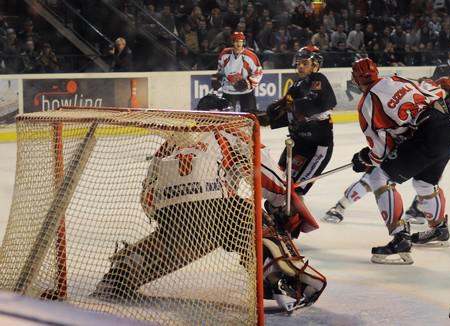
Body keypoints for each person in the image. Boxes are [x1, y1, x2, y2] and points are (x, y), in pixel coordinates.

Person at [91, 122, 326, 313]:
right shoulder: (232, 130)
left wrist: (178, 214)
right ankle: (286, 281)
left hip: (169, 209)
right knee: (252, 219)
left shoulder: (169, 143)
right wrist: (285, 204)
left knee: (187, 240)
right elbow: (265, 174)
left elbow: (148, 198)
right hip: (217, 203)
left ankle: (121, 275)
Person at [345, 58, 450, 265]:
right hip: (447, 127)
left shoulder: (367, 104)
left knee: (380, 177)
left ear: (354, 79)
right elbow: (434, 96)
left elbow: (380, 153)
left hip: (426, 136)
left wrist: (364, 158)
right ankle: (439, 229)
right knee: (424, 183)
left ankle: (400, 239)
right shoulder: (395, 78)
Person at [323, 76, 450, 225]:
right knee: (383, 177)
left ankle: (341, 207)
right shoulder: (435, 94)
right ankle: (342, 206)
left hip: (411, 143)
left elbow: (433, 124)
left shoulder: (428, 93)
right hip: (401, 142)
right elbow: (434, 122)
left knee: (412, 179)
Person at [264, 46, 337, 196]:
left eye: (305, 63)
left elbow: (319, 103)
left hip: (317, 146)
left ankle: (296, 218)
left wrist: (291, 106)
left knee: (296, 190)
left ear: (315, 65)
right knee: (280, 182)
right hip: (298, 143)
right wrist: (268, 117)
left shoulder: (319, 79)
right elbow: (287, 113)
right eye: (298, 63)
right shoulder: (296, 86)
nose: (300, 66)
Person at [211, 31, 263, 113]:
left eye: (240, 41)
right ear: (232, 42)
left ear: (243, 42)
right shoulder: (224, 54)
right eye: (236, 41)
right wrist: (218, 78)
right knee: (227, 119)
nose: (238, 44)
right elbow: (221, 70)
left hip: (246, 92)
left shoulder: (251, 56)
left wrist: (248, 83)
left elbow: (258, 73)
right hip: (228, 91)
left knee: (250, 118)